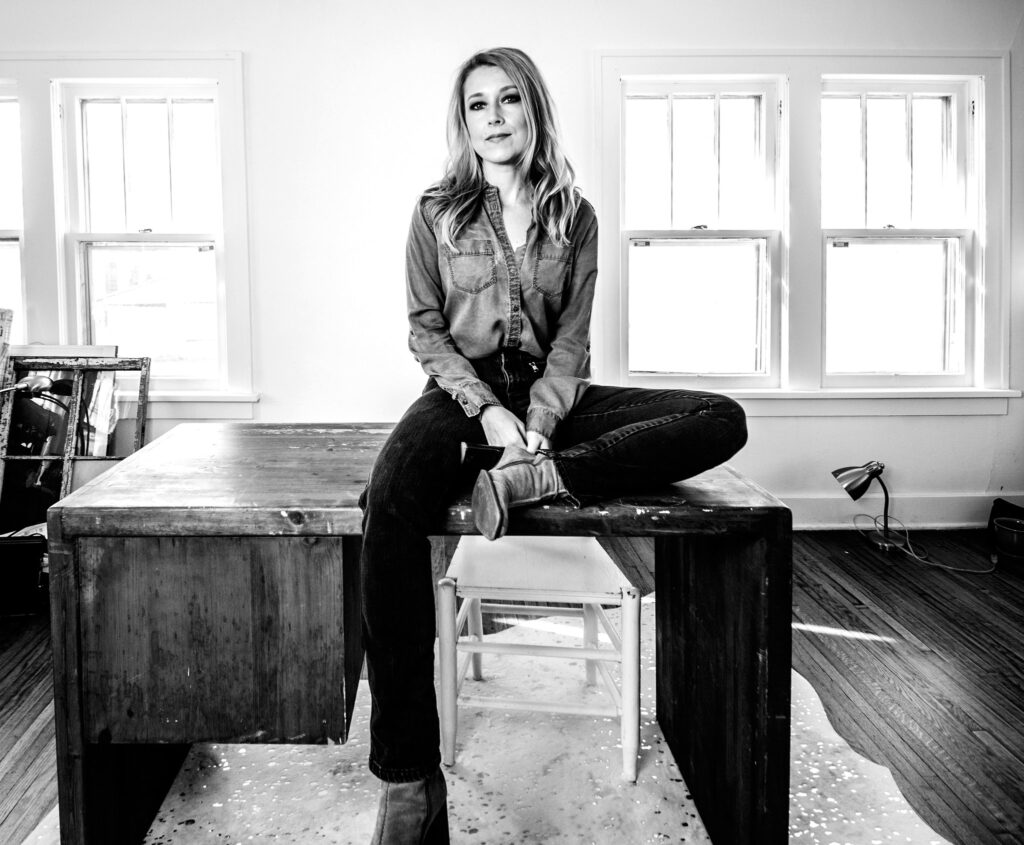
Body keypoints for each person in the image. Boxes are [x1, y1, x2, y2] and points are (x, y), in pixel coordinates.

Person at [360, 46, 748, 844]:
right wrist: (488, 416)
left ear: (532, 110)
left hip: (551, 402)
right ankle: (407, 778)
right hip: (460, 394)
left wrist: (538, 423)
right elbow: (425, 332)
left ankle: (544, 477)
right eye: (478, 105)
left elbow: (572, 340)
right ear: (463, 120)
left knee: (719, 416)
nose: (494, 118)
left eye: (508, 101)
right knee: (390, 496)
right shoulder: (436, 210)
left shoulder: (577, 216)